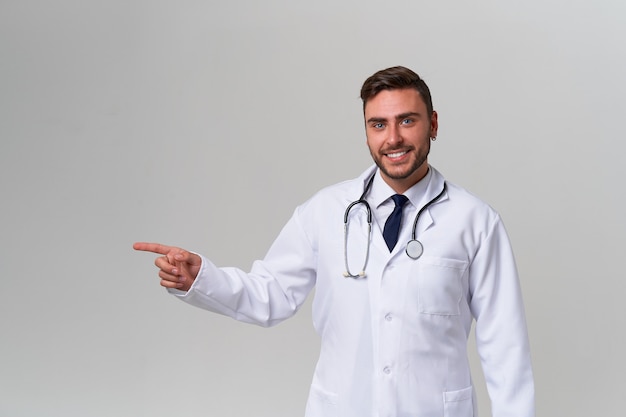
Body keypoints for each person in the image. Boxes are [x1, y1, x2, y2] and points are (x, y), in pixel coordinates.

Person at [134, 66, 534, 417]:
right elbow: (271, 293)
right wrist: (201, 278)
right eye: (378, 124)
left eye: (407, 121)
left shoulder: (475, 221)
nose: (392, 138)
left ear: (433, 124)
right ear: (365, 133)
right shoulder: (324, 211)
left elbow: (506, 345)